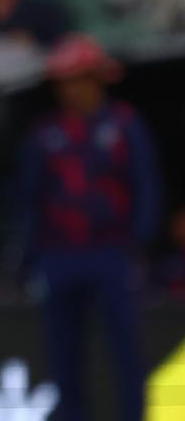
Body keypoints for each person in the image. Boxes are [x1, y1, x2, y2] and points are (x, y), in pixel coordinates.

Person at [16, 35, 160, 421]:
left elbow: (145, 188)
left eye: (78, 79)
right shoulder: (44, 134)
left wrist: (137, 247)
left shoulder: (125, 125)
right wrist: (34, 255)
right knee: (63, 354)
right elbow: (31, 198)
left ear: (97, 79)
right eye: (64, 81)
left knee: (127, 351)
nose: (70, 89)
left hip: (112, 253)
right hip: (60, 255)